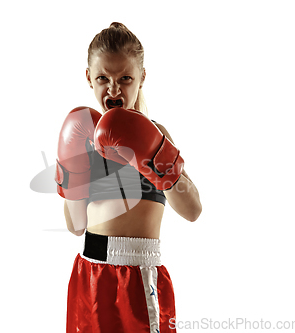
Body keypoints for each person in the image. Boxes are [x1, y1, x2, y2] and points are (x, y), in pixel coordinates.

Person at [55, 22, 202, 333]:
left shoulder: (156, 134)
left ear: (142, 78)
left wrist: (156, 156)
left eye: (125, 78)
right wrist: (70, 174)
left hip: (137, 275)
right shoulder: (83, 137)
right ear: (88, 78)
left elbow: (193, 210)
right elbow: (75, 225)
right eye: (102, 79)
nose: (113, 89)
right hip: (88, 273)